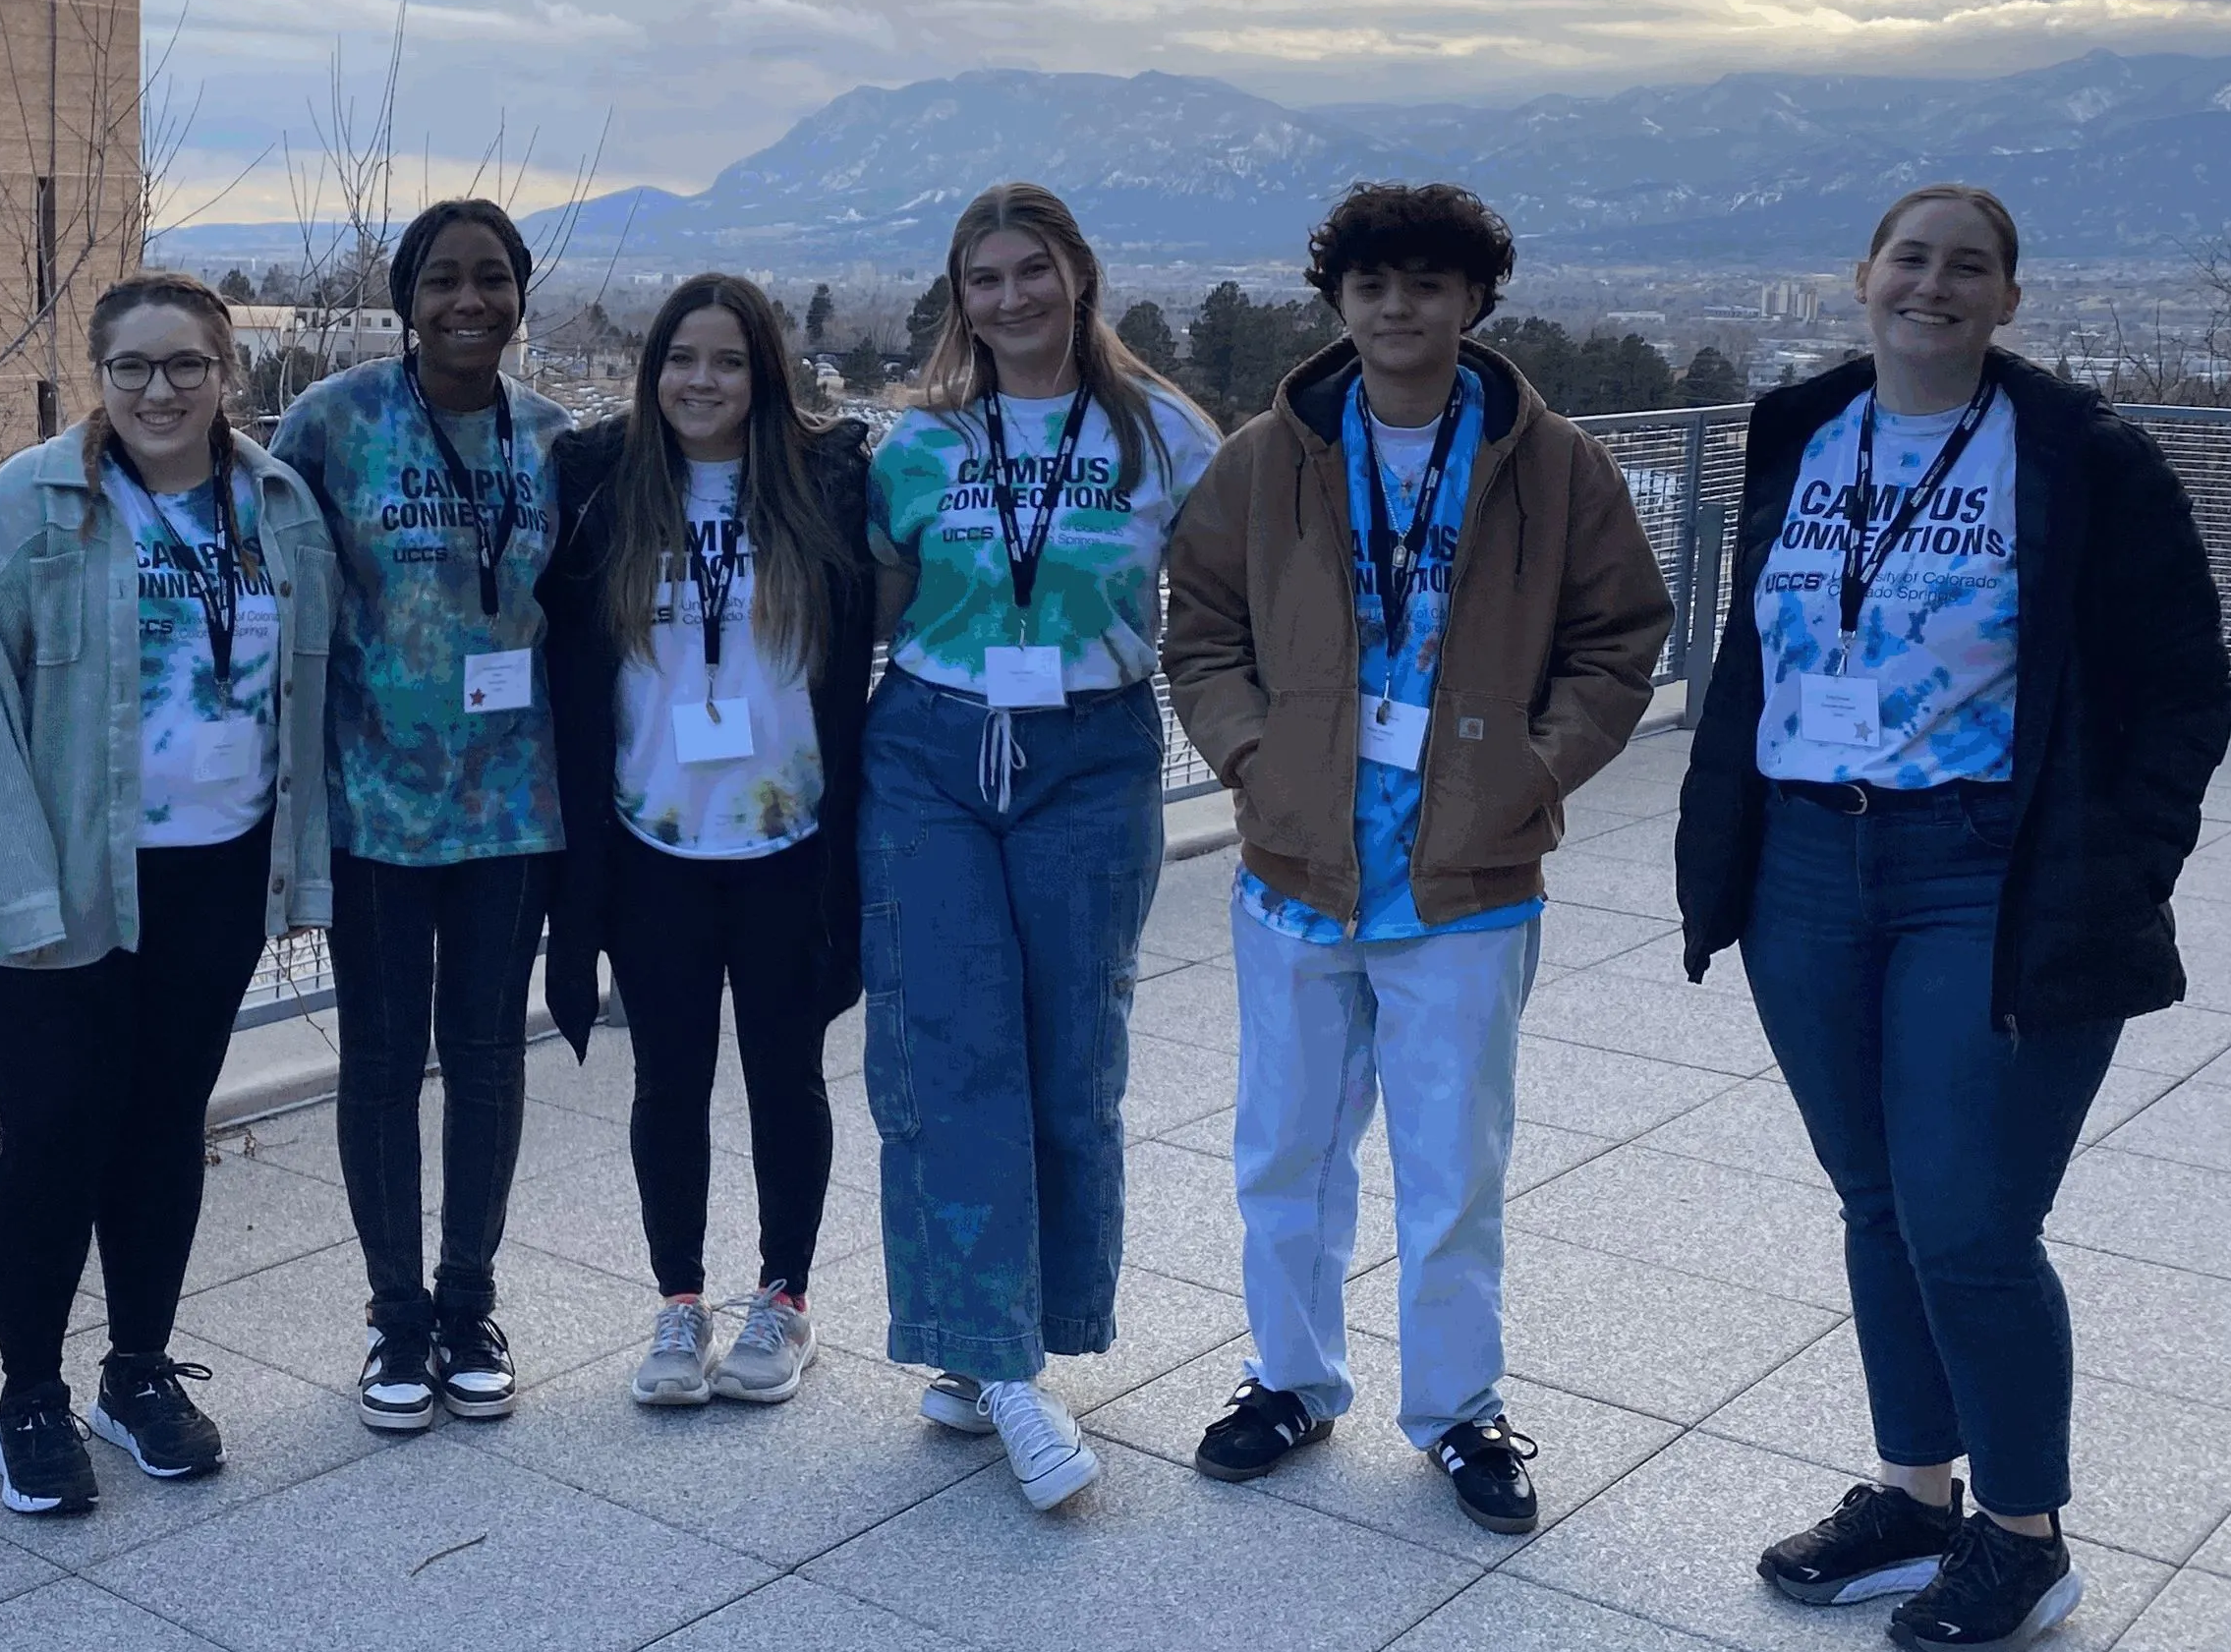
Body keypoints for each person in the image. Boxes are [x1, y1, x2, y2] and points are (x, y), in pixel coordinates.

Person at [1678, 184, 2231, 1652]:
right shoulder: (1800, 430)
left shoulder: (2081, 456)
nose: (1933, 285)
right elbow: (1771, 646)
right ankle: (1917, 1494)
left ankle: (2026, 1535)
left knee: (1972, 1222)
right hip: (1807, 861)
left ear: (2007, 299)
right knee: (1874, 1198)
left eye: (1967, 267)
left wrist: (2122, 867)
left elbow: (2185, 686)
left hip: (1984, 871)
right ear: (1861, 278)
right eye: (1909, 259)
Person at [1163, 183, 1671, 1537]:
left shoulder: (1550, 463)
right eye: (1376, 283)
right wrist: (1254, 759)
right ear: (1339, 299)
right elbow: (1200, 625)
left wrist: (1538, 768)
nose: (1401, 308)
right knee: (1286, 1148)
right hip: (1296, 861)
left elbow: (1623, 634)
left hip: (1467, 874)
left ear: (1475, 302)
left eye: (1430, 285)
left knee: (1453, 1162)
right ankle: (1290, 1379)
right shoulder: (1271, 458)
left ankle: (1457, 1410)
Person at [0, 275, 337, 1513]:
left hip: (213, 868)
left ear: (229, 374)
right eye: (133, 369)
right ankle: (26, 1401)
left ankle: (138, 1373)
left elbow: (311, 693)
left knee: (165, 1126)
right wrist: (16, 894)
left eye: (187, 367)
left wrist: (305, 863)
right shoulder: (29, 507)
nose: (160, 391)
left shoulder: (274, 506)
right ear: (97, 378)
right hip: (49, 879)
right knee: (57, 1133)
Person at [863, 182, 1220, 1509]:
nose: (1009, 298)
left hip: (1090, 753)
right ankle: (1003, 1368)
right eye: (983, 278)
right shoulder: (920, 446)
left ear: (1079, 275)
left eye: (1031, 271)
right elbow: (873, 604)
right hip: (933, 756)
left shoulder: (1167, 436)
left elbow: (1232, 600)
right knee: (948, 1051)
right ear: (959, 296)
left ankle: (999, 1337)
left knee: (1077, 1059)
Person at [539, 274, 874, 1408]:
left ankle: (784, 1299)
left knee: (789, 1076)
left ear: (763, 373)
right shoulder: (598, 484)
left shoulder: (829, 483)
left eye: (728, 361)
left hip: (790, 838)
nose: (702, 381)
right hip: (652, 841)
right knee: (666, 1081)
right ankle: (679, 1302)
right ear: (652, 367)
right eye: (682, 358)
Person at [272, 199, 569, 1430]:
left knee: (492, 1060)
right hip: (375, 807)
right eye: (442, 279)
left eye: (491, 279)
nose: (468, 301)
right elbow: (261, 574)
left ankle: (469, 1300)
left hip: (513, 809)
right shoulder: (331, 423)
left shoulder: (557, 440)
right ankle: (397, 1321)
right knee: (385, 1064)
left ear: (519, 294)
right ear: (405, 298)